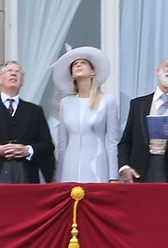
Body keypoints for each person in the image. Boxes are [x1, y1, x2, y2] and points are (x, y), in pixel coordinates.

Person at [0, 60, 55, 184]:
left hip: (26, 175)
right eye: (9, 71)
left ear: (22, 81)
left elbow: (48, 145)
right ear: (0, 79)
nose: (13, 73)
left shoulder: (35, 111)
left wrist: (28, 150)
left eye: (17, 72)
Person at [117, 56, 168, 183]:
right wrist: (124, 167)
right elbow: (126, 141)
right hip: (139, 172)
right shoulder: (138, 105)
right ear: (158, 71)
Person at [52, 46, 121, 184]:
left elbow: (112, 142)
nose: (78, 65)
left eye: (83, 63)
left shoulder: (107, 101)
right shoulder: (66, 103)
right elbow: (63, 144)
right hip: (69, 168)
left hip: (97, 167)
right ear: (71, 74)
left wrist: (113, 177)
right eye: (75, 64)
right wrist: (59, 178)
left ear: (93, 71)